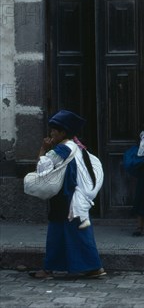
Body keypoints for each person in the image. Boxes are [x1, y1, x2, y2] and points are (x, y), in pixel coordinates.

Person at [29, 110, 105, 279]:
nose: (51, 133)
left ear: (63, 132)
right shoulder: (76, 147)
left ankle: (94, 267)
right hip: (68, 197)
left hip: (67, 198)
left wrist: (43, 150)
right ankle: (54, 268)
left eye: (54, 130)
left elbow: (42, 169)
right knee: (63, 233)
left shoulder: (64, 149)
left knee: (73, 233)